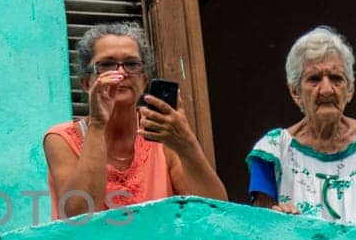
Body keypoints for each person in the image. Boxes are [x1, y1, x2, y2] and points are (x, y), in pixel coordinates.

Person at [248, 26, 356, 235]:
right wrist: (279, 218)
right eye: (314, 79)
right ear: (295, 92)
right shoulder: (273, 150)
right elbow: (262, 230)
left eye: (336, 78)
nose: (326, 89)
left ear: (349, 90)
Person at [44, 21, 226, 218]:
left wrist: (186, 143)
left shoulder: (162, 134)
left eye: (132, 64)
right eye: (106, 65)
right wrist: (97, 124)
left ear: (144, 80)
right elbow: (80, 215)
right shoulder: (61, 139)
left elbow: (214, 211)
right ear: (86, 82)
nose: (121, 73)